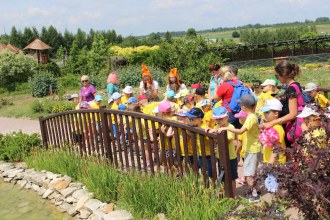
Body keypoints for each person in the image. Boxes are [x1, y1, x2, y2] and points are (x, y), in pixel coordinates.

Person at [216, 94, 261, 202]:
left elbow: (241, 131)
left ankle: (254, 195)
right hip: (252, 148)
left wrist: (226, 128)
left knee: (248, 174)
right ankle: (253, 191)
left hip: (253, 149)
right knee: (250, 172)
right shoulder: (252, 116)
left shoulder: (251, 117)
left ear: (243, 107)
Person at [261, 61, 303, 147]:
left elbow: (292, 114)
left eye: (277, 76)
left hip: (292, 128)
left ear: (283, 75)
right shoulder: (295, 86)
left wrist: (272, 123)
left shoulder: (291, 89)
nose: (277, 78)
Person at [207, 106, 238, 196]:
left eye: (220, 119)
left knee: (232, 177)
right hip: (220, 156)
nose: (218, 121)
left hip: (230, 156)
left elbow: (228, 140)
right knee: (223, 176)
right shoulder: (216, 126)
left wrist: (217, 136)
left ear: (227, 117)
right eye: (217, 119)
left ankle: (233, 194)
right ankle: (225, 193)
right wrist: (211, 131)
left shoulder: (230, 126)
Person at [185, 108, 213, 177]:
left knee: (209, 174)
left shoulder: (204, 128)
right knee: (204, 172)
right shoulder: (196, 126)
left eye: (192, 119)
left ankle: (212, 186)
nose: (190, 121)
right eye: (189, 119)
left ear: (200, 119)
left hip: (208, 155)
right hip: (200, 154)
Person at [259, 98, 286, 164]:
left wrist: (270, 163)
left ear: (276, 114)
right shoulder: (270, 126)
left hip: (275, 164)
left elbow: (277, 147)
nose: (264, 114)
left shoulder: (276, 128)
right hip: (269, 161)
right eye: (264, 112)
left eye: (267, 112)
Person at [234, 110, 248, 185]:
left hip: (244, 152)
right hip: (250, 151)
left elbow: (239, 143)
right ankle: (246, 178)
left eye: (239, 118)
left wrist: (236, 152)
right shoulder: (251, 127)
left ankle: (245, 179)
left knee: (246, 167)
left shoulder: (241, 130)